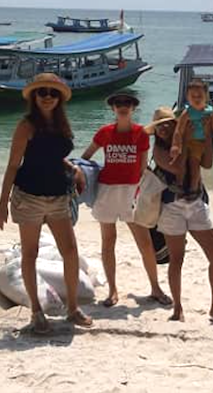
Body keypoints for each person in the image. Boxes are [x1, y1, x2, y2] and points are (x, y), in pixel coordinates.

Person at [0, 73, 92, 332]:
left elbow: (52, 155)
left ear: (59, 97)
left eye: (52, 93)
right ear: (34, 97)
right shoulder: (26, 126)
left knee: (70, 252)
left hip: (58, 196)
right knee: (30, 254)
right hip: (29, 198)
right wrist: (2, 203)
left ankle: (72, 308)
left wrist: (73, 168)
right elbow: (14, 165)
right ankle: (36, 312)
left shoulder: (60, 125)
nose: (47, 97)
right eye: (42, 92)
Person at [148, 106, 213, 326]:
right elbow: (177, 168)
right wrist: (186, 144)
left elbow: (208, 163)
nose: (165, 128)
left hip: (196, 204)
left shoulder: (189, 140)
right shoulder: (158, 151)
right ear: (155, 131)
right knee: (177, 259)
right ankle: (177, 307)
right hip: (171, 207)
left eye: (169, 123)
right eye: (160, 126)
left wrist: (204, 136)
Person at [81, 91, 171, 307]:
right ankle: (112, 290)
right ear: (112, 108)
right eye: (118, 103)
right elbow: (85, 158)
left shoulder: (140, 134)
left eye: (127, 103)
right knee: (108, 241)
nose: (123, 106)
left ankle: (155, 288)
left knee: (145, 242)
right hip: (107, 192)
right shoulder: (104, 132)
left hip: (131, 192)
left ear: (133, 108)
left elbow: (142, 169)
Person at [170, 79, 213, 191]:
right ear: (187, 97)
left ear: (206, 96)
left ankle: (193, 188)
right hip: (189, 142)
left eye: (200, 96)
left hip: (201, 142)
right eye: (193, 96)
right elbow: (179, 130)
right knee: (186, 164)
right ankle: (183, 184)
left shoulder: (210, 112)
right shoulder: (187, 112)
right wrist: (175, 145)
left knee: (197, 164)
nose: (196, 99)